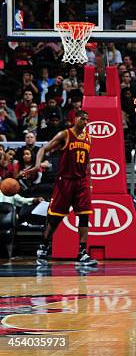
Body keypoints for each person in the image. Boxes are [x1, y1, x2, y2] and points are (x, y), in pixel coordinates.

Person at [25, 110, 97, 267]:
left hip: (81, 182)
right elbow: (43, 149)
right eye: (83, 119)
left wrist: (89, 180)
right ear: (75, 118)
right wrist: (37, 166)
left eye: (87, 120)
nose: (85, 122)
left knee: (84, 216)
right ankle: (43, 247)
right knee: (55, 218)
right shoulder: (65, 135)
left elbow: (88, 160)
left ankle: (82, 252)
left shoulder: (88, 137)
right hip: (65, 182)